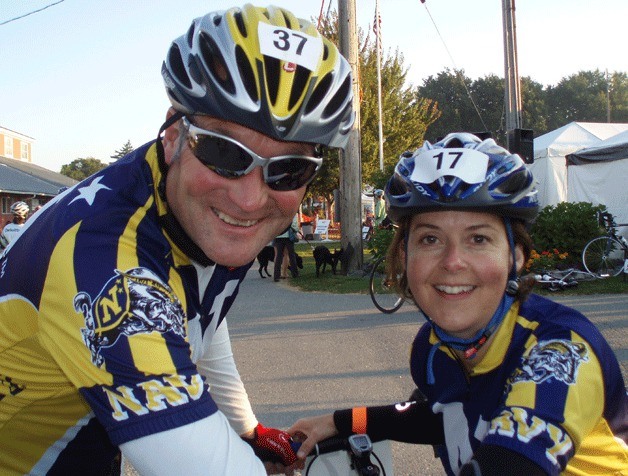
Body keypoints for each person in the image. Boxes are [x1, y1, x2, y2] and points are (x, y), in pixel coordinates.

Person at [0, 4, 354, 475]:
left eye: (289, 169)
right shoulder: (103, 263)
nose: (250, 199)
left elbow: (201, 309)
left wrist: (247, 428)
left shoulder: (191, 203)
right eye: (224, 151)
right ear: (173, 133)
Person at [287, 133, 627, 475]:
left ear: (516, 255)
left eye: (478, 239)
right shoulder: (431, 348)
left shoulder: (561, 351)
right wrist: (339, 422)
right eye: (430, 239)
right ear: (405, 256)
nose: (452, 262)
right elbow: (443, 416)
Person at [273, 214, 300, 282]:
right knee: (291, 255)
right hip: (288, 236)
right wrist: (296, 230)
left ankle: (276, 276)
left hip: (278, 236)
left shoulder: (276, 213)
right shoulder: (291, 212)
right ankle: (294, 273)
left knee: (279, 256)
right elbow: (295, 225)